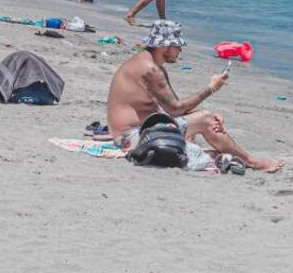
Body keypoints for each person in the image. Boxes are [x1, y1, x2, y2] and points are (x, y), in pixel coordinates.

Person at [106, 20, 283, 173]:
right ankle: (252, 162)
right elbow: (175, 109)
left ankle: (230, 148)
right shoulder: (150, 70)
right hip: (132, 137)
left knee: (205, 120)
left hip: (137, 131)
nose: (181, 50)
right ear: (165, 46)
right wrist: (211, 89)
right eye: (177, 46)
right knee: (205, 120)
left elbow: (176, 108)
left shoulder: (149, 63)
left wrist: (203, 115)